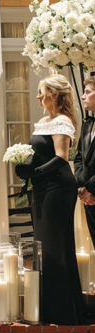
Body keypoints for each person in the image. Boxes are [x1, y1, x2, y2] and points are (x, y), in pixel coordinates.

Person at [15, 74, 84, 325]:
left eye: (41, 91)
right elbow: (39, 155)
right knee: (43, 247)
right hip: (42, 188)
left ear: (55, 94)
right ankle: (49, 306)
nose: (38, 96)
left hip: (58, 189)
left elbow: (61, 157)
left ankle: (63, 312)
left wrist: (36, 173)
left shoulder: (63, 121)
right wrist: (23, 166)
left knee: (55, 245)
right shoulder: (43, 121)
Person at [73, 72, 95, 251]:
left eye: (87, 92)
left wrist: (91, 189)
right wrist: (82, 186)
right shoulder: (87, 124)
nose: (83, 96)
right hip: (88, 196)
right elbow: (79, 157)